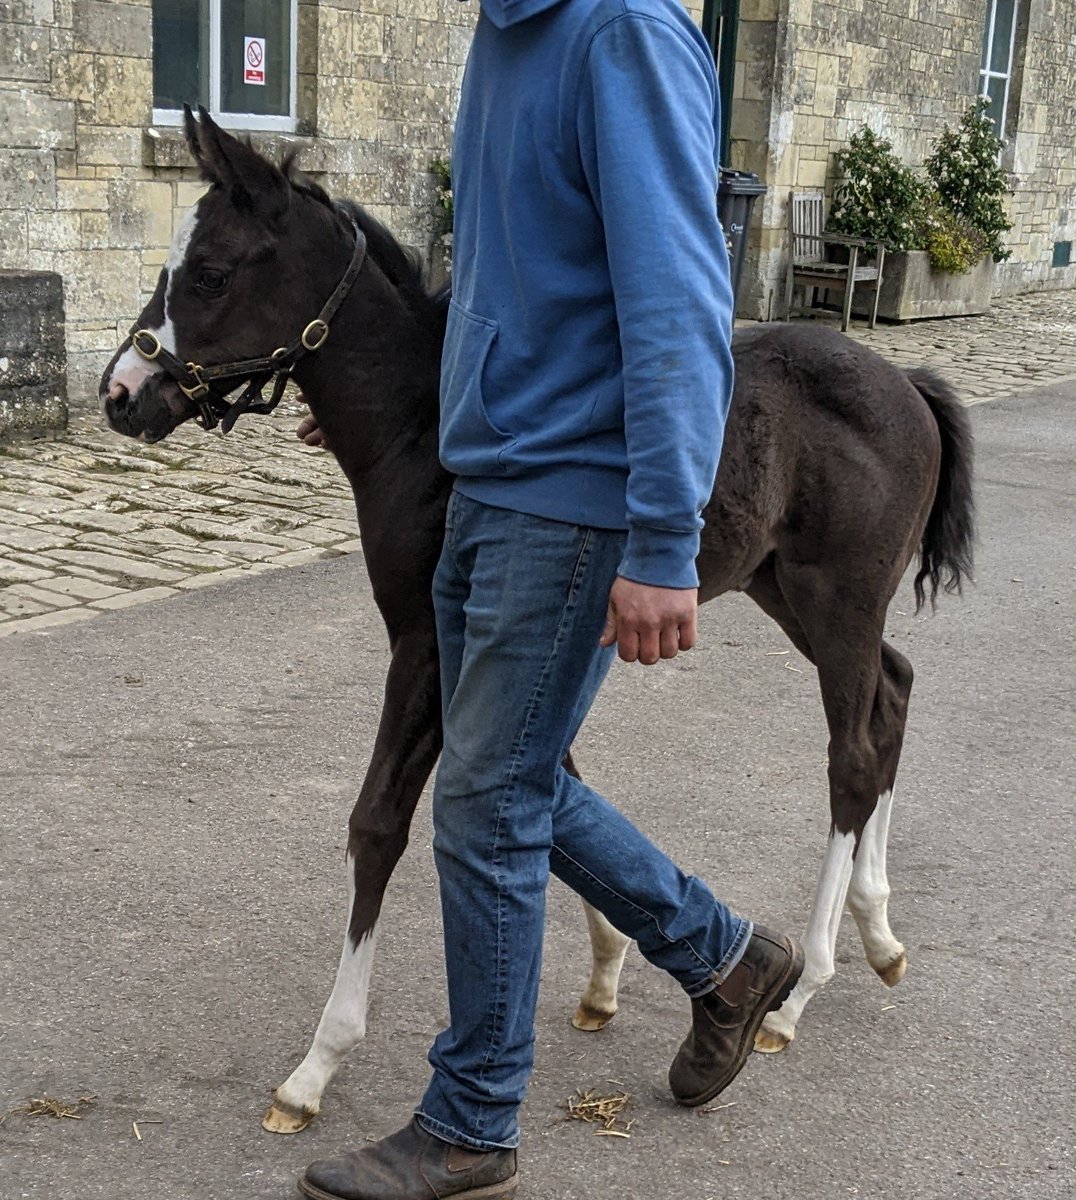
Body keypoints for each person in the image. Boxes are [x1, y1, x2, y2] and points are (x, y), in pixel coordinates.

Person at [298, 2, 802, 1197]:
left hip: (572, 499)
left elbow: (677, 295)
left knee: (483, 796)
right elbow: (511, 276)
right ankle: (724, 958)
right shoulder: (503, 30)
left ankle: (473, 1120)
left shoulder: (617, 31)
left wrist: (663, 539)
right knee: (522, 778)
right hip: (487, 477)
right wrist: (415, 404)